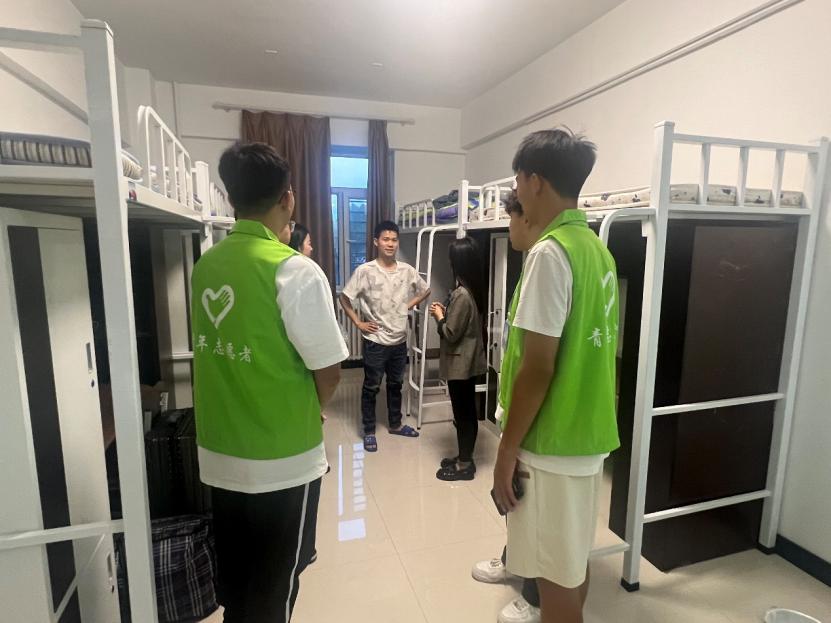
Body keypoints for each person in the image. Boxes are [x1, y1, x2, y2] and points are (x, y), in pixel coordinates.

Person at [191, 142, 348, 622]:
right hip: (282, 461)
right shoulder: (293, 270)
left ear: (231, 197)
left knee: (238, 583)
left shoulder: (206, 265)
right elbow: (328, 371)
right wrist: (311, 408)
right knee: (276, 587)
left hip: (220, 455)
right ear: (288, 198)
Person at [489, 129, 620, 623]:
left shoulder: (550, 252)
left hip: (552, 442)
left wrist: (506, 452)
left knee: (554, 579)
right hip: (585, 436)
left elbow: (538, 366)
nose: (517, 193)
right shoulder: (596, 249)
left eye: (518, 181)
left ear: (536, 181)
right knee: (571, 563)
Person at [339, 220, 431, 452]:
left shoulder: (407, 270)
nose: (390, 244)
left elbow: (425, 289)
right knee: (371, 387)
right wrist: (358, 322)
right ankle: (369, 430)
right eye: (386, 239)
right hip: (375, 341)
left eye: (394, 240)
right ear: (376, 242)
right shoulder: (365, 271)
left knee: (395, 384)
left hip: (399, 340)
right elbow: (344, 298)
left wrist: (407, 305)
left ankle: (395, 424)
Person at [429, 236, 487, 481]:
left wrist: (439, 316)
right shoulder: (468, 289)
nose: (450, 263)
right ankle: (464, 457)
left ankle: (465, 465)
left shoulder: (462, 294)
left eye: (452, 259)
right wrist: (446, 311)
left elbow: (451, 333)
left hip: (460, 365)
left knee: (463, 415)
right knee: (466, 413)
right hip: (466, 363)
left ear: (459, 262)